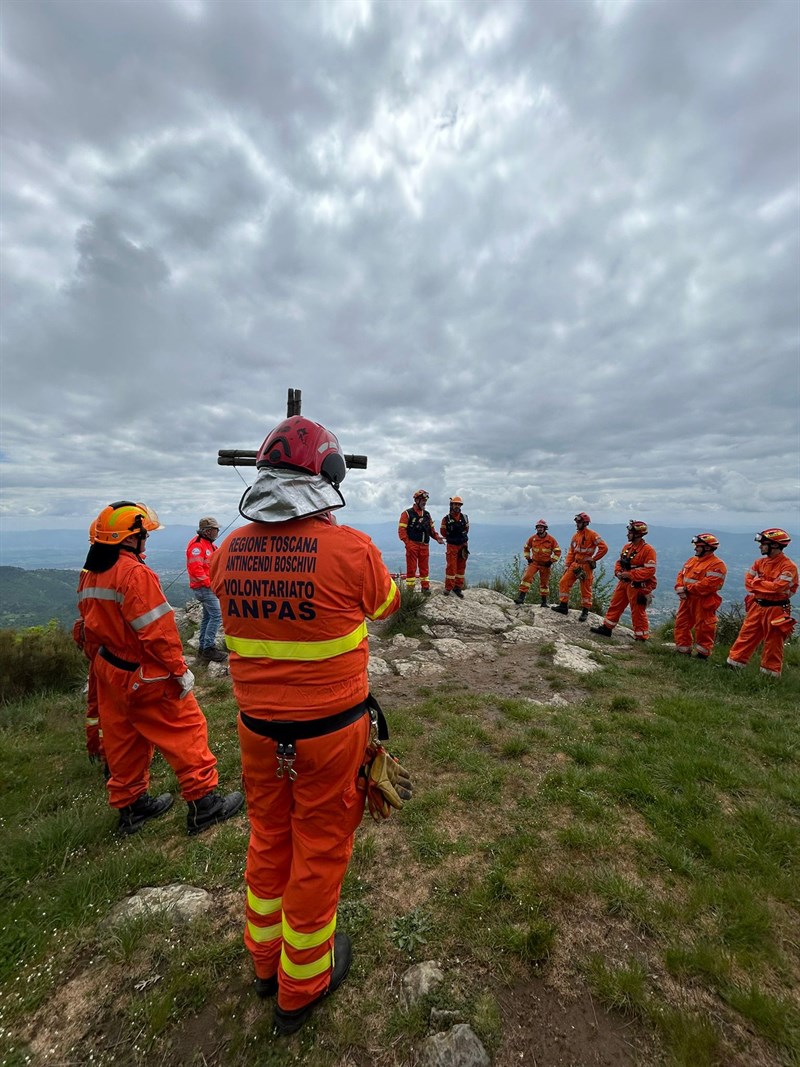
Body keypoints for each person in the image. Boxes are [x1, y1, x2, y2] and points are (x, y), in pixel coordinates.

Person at [210, 415, 401, 1035]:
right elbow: (387, 604)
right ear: (327, 476)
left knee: (268, 836)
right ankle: (301, 985)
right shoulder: (351, 549)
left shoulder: (229, 550)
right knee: (318, 849)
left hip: (258, 732)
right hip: (331, 734)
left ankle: (265, 963)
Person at [77, 501, 244, 836]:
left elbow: (87, 627)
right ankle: (205, 805)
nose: (146, 541)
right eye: (143, 535)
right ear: (131, 537)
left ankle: (132, 808)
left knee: (123, 738)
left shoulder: (90, 573)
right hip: (143, 672)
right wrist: (178, 669)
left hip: (108, 668)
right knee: (186, 727)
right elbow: (158, 632)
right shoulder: (134, 574)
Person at [727, 528, 797, 677]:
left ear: (775, 545)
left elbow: (778, 588)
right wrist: (765, 585)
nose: (760, 547)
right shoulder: (759, 562)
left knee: (773, 643)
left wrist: (757, 583)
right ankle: (734, 665)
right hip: (757, 606)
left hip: (776, 609)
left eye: (763, 544)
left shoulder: (788, 567)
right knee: (746, 635)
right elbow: (748, 582)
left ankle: (769, 675)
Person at [591, 520, 657, 640]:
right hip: (624, 582)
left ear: (637, 534)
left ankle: (641, 637)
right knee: (615, 604)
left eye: (629, 532)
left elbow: (650, 571)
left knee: (637, 611)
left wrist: (630, 575)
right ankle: (607, 628)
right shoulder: (627, 547)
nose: (627, 535)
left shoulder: (648, 550)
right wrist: (618, 572)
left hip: (637, 585)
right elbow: (619, 562)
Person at [673, 534, 728, 659]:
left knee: (704, 627)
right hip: (687, 599)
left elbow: (709, 584)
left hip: (704, 601)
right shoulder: (692, 560)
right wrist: (679, 587)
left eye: (698, 546)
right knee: (681, 624)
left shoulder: (717, 564)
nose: (695, 549)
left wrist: (686, 589)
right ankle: (683, 650)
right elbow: (681, 575)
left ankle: (702, 654)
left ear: (707, 548)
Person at [552, 513, 608, 622]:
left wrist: (593, 559)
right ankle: (563, 606)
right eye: (576, 522)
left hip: (586, 566)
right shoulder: (576, 536)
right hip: (575, 564)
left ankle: (585, 611)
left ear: (585, 523)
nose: (577, 524)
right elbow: (571, 552)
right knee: (563, 582)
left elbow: (604, 548)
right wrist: (568, 565)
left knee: (585, 589)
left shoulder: (592, 535)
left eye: (579, 522)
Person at [186, 516, 227, 663]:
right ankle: (209, 648)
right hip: (204, 588)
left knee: (208, 617)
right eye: (216, 529)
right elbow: (196, 570)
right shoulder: (198, 546)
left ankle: (203, 649)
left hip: (207, 587)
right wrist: (211, 584)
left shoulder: (208, 544)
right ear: (208, 531)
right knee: (217, 615)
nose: (217, 532)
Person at [398, 490, 444, 595]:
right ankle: (410, 590)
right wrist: (408, 544)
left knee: (424, 568)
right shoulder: (407, 514)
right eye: (422, 500)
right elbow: (401, 531)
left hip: (425, 546)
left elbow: (431, 530)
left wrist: (437, 538)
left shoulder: (427, 515)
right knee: (411, 568)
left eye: (425, 500)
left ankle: (425, 588)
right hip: (413, 545)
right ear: (417, 500)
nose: (424, 502)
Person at [514, 520, 561, 606]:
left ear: (545, 528)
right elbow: (526, 548)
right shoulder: (533, 538)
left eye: (541, 527)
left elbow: (557, 552)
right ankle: (521, 598)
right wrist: (528, 558)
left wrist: (551, 561)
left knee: (544, 583)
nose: (539, 529)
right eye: (538, 527)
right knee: (526, 577)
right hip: (534, 563)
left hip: (545, 565)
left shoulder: (551, 540)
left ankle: (544, 602)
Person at [440, 496, 469, 598]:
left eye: (458, 504)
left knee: (461, 567)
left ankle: (458, 587)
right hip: (452, 545)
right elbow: (443, 532)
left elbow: (467, 529)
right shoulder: (446, 519)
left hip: (463, 545)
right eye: (455, 504)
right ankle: (448, 587)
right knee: (451, 567)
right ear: (451, 505)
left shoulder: (464, 518)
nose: (457, 506)